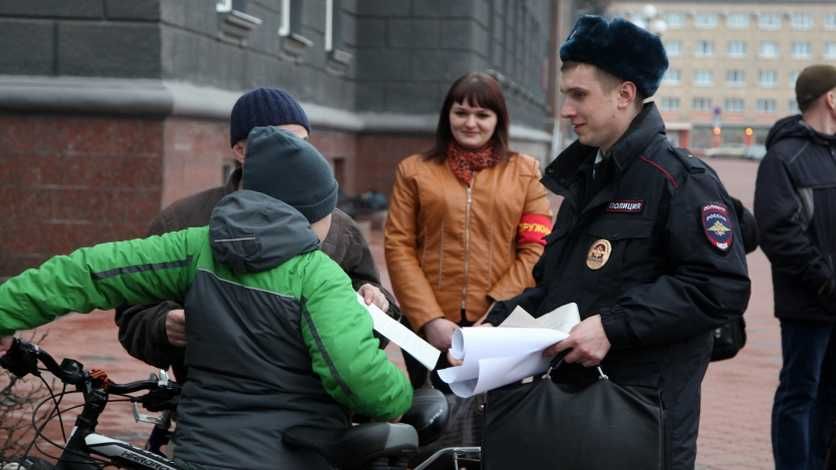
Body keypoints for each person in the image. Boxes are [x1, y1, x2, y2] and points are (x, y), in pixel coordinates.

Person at [0, 126, 412, 470]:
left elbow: (88, 273)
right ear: (307, 212)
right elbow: (352, 373)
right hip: (295, 453)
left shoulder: (197, 247)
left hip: (201, 452)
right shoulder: (318, 274)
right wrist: (399, 398)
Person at [484, 16, 750, 469]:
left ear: (625, 95)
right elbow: (556, 287)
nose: (566, 109)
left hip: (644, 421)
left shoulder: (680, 180)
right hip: (579, 415)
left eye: (579, 95)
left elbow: (720, 286)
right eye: (567, 94)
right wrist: (491, 331)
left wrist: (613, 326)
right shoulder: (588, 179)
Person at [115, 87, 397, 380]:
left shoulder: (338, 227)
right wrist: (162, 326)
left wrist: (377, 303)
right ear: (240, 151)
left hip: (314, 406)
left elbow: (375, 310)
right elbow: (132, 316)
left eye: (302, 143)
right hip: (210, 403)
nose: (295, 154)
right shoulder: (183, 221)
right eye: (282, 141)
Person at [384, 72, 552, 446]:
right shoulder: (414, 171)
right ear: (447, 116)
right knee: (434, 423)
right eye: (461, 112)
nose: (471, 123)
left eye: (482, 114)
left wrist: (494, 317)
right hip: (429, 332)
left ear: (498, 121)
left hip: (499, 330)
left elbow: (535, 249)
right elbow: (399, 247)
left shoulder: (524, 171)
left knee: (497, 424)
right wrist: (430, 320)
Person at [755, 63, 836, 470]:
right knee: (800, 392)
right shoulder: (784, 157)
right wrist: (825, 282)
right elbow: (779, 233)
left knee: (830, 396)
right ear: (832, 98)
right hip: (808, 302)